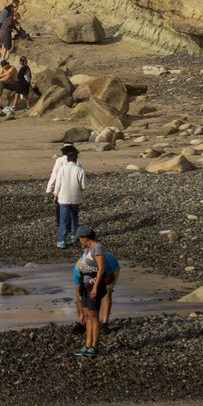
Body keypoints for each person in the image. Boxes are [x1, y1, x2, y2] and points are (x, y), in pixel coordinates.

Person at [72, 228, 118, 357]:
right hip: (86, 285)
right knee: (88, 317)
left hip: (94, 286)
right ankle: (87, 346)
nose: (79, 241)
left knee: (93, 316)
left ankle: (95, 347)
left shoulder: (98, 248)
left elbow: (102, 268)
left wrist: (96, 287)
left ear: (85, 237)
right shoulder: (87, 250)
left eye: (80, 238)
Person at [45, 141, 88, 249]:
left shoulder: (61, 167)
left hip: (63, 197)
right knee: (74, 217)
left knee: (63, 219)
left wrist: (53, 193)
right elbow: (83, 186)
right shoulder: (80, 169)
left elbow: (57, 182)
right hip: (76, 197)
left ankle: (62, 241)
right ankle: (74, 237)